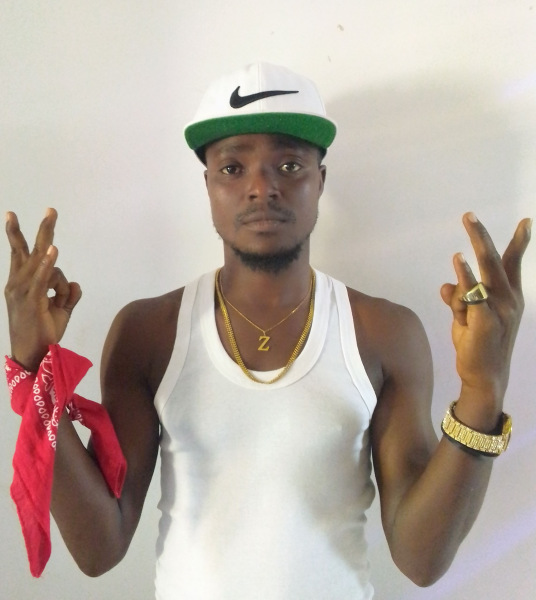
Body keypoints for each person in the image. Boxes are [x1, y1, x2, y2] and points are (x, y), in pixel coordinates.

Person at [4, 62, 531, 599]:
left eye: (289, 165)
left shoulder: (381, 332)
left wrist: (481, 392)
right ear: (208, 185)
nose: (261, 188)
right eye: (233, 168)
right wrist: (32, 369)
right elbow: (99, 548)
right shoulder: (150, 333)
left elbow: (421, 560)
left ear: (320, 180)